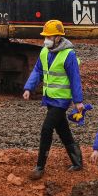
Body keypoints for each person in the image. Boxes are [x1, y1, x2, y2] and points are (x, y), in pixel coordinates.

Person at [23, 19, 85, 180]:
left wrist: (78, 101)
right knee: (62, 129)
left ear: (58, 37)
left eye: (50, 37)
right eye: (46, 36)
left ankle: (40, 166)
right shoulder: (44, 52)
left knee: (46, 129)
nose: (46, 40)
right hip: (50, 99)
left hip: (61, 100)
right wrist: (29, 88)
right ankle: (77, 161)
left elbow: (75, 78)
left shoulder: (68, 54)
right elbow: (38, 70)